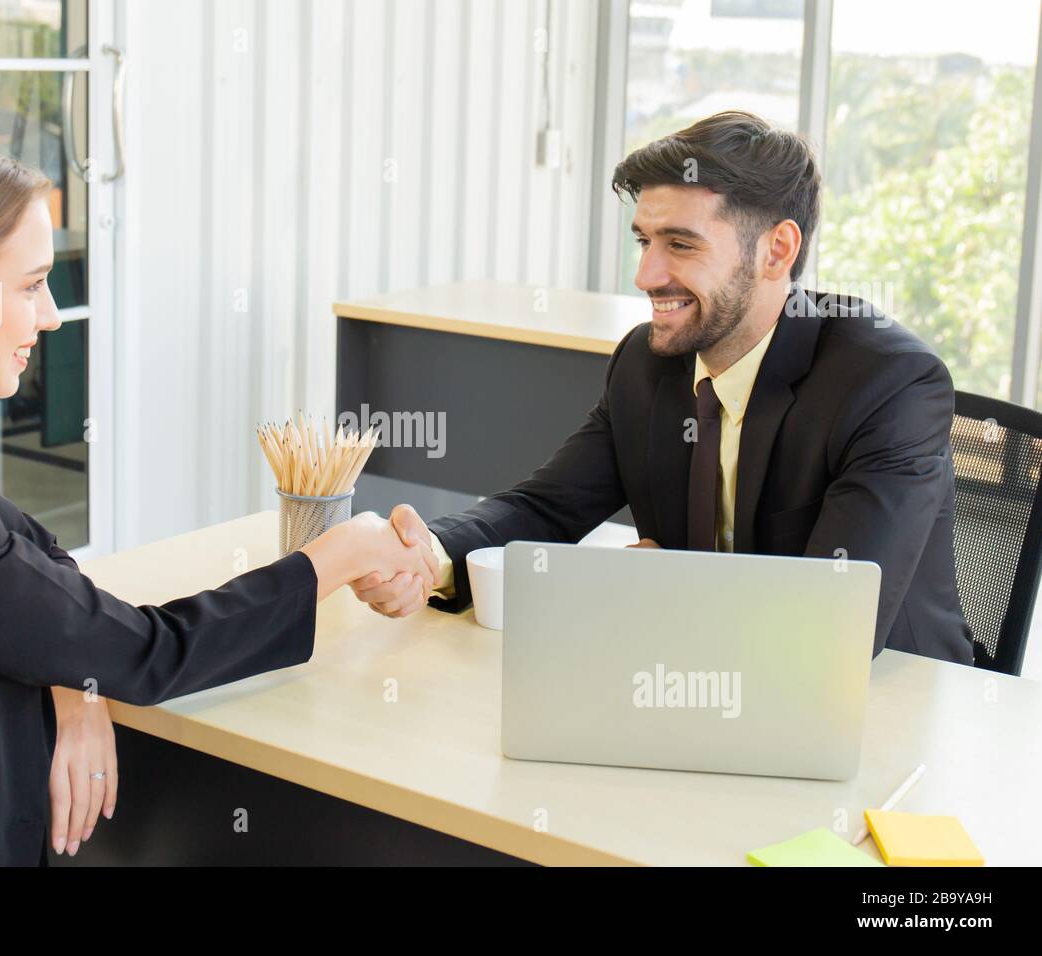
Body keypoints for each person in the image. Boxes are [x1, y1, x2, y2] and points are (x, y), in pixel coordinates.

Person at [0, 131, 435, 865]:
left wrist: (75, 684)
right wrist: (339, 553)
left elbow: (41, 577)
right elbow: (146, 652)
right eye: (30, 284)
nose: (48, 317)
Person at [353, 111, 975, 667]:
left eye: (680, 244)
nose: (645, 274)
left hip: (881, 706)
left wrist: (664, 589)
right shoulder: (646, 365)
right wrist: (427, 556)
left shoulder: (888, 385)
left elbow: (835, 622)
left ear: (776, 250)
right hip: (692, 679)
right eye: (645, 241)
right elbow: (545, 509)